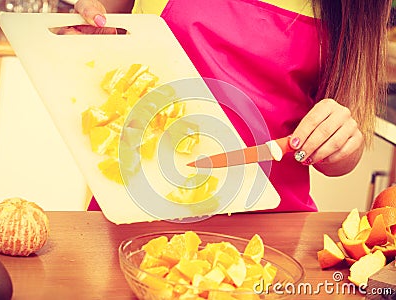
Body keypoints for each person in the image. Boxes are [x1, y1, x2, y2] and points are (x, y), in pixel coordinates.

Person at [71, 0, 392, 212]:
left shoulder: (356, 6)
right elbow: (96, 23)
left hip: (271, 229)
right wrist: (87, 25)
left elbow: (340, 149)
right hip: (137, 205)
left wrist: (341, 144)